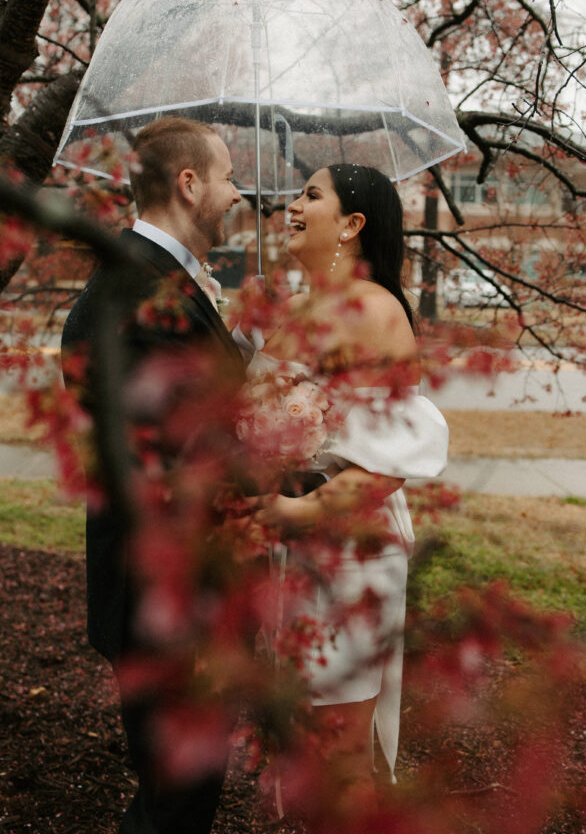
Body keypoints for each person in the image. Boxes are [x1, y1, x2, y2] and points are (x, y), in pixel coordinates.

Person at [246, 162, 448, 816]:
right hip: (291, 551)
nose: (292, 204)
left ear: (353, 223)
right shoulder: (297, 307)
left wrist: (295, 508)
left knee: (339, 752)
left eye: (310, 194)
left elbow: (389, 459)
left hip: (348, 557)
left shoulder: (374, 311)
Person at [61, 116, 244, 834]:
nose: (236, 194)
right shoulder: (132, 285)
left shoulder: (166, 280)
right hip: (162, 594)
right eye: (227, 177)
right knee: (174, 799)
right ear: (189, 183)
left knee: (191, 793)